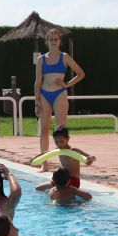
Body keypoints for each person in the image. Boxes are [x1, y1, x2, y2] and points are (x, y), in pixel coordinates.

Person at [35, 29, 85, 172]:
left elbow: (81, 73)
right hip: (44, 94)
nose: (53, 42)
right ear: (47, 41)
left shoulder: (64, 57)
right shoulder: (41, 59)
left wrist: (67, 84)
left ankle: (64, 164)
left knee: (61, 131)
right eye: (51, 39)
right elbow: (38, 82)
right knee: (44, 130)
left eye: (56, 39)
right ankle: (45, 163)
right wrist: (36, 101)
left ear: (59, 41)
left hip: (59, 94)